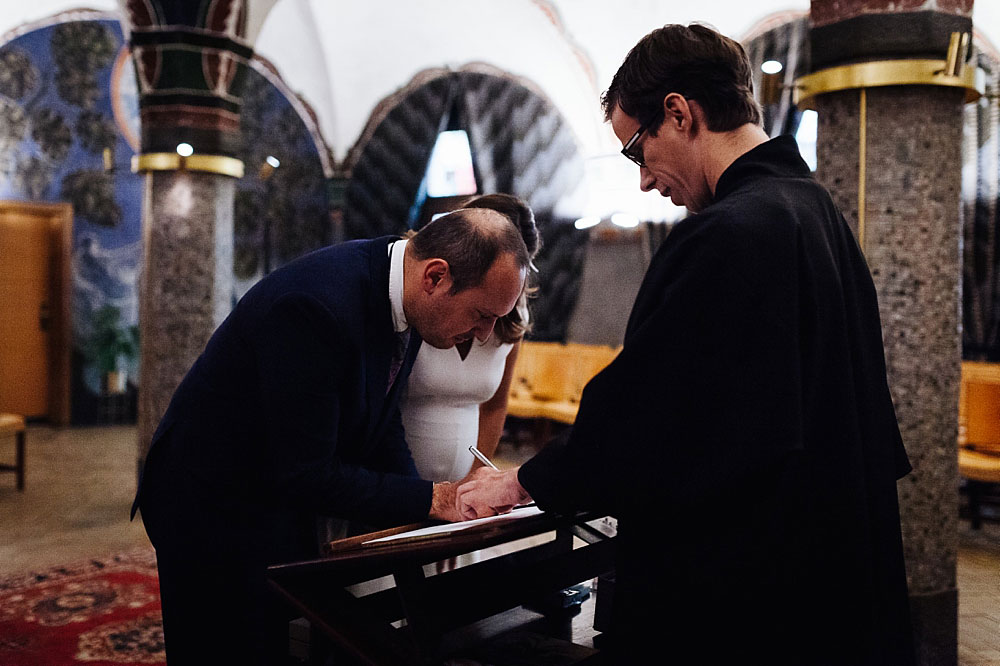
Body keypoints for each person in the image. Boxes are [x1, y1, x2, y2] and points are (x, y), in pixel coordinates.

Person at [456, 23, 915, 665]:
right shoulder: (816, 214)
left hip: (745, 593)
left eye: (636, 151)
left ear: (679, 113)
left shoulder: (731, 233)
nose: (644, 181)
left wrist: (525, 484)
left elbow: (652, 409)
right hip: (831, 572)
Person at [131, 207, 528, 665]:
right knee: (229, 646)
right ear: (435, 277)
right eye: (482, 315)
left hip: (267, 490)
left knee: (277, 640)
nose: (484, 335)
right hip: (211, 500)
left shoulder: (405, 293)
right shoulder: (316, 307)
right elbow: (306, 474)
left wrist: (427, 507)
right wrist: (431, 499)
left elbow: (381, 422)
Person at [401, 194, 539, 484]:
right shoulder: (421, 302)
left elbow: (495, 405)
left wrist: (475, 478)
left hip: (461, 487)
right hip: (395, 480)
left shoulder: (511, 315)